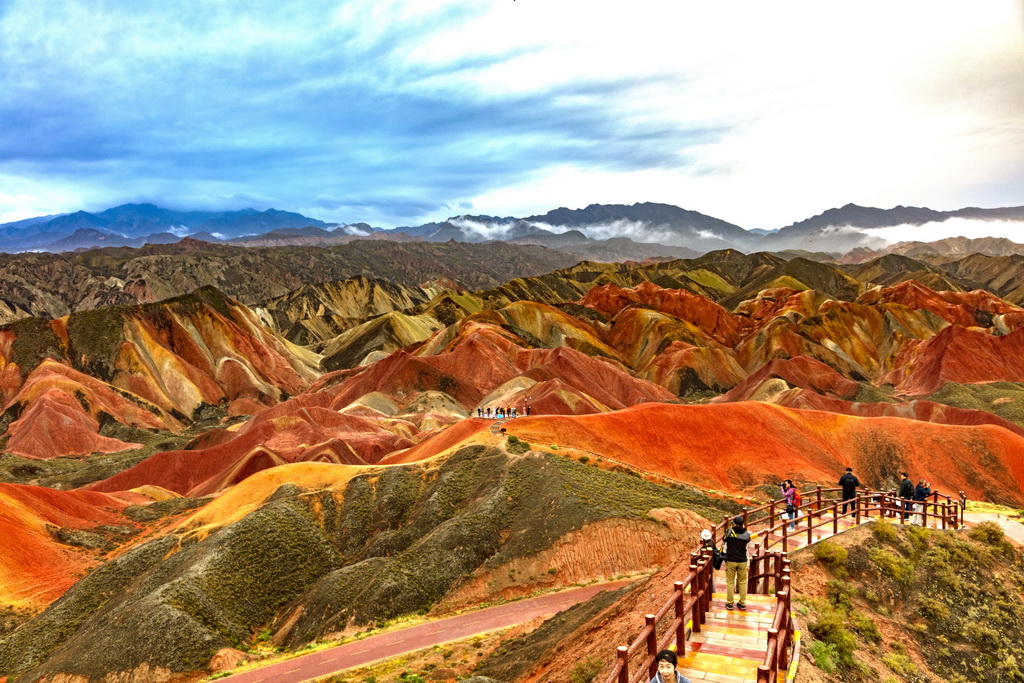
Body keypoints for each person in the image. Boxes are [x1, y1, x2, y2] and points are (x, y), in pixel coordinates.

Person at [724, 516, 751, 610]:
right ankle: (742, 603)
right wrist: (749, 563)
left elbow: (725, 540)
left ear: (734, 524)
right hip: (742, 561)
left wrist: (732, 528)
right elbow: (747, 549)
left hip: (731, 560)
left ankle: (730, 603)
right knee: (743, 582)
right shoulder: (747, 535)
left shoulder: (729, 532)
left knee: (730, 582)